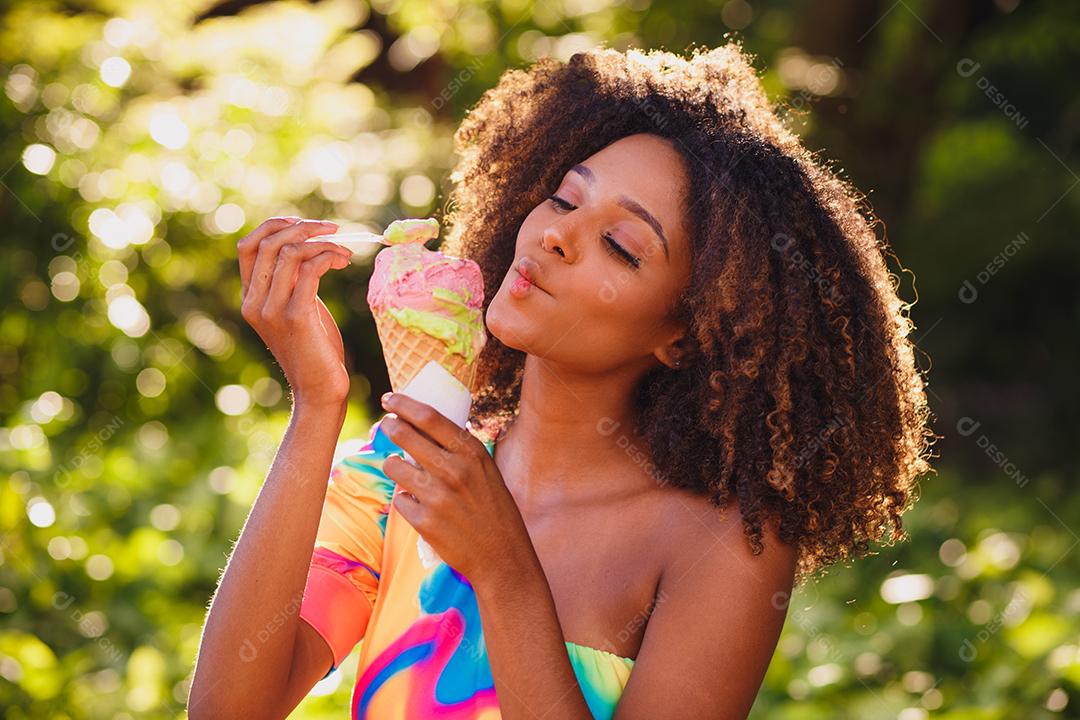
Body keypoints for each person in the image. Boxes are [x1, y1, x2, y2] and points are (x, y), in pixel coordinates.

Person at [189, 43, 934, 719]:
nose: (555, 234)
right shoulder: (405, 472)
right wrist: (317, 406)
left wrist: (505, 572)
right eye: (565, 199)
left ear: (685, 334)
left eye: (619, 244)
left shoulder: (723, 546)